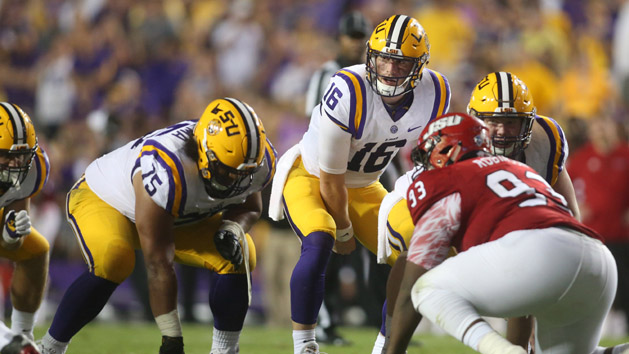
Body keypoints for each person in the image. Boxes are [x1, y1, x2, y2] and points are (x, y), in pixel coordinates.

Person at [268, 14, 450, 354]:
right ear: (371, 56)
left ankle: (386, 345)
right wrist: (345, 231)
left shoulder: (435, 91)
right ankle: (305, 345)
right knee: (321, 237)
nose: (389, 69)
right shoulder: (349, 89)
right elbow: (331, 176)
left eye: (401, 62)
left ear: (419, 66)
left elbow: (435, 161)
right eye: (384, 58)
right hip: (311, 176)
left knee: (414, 254)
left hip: (366, 185)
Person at [38, 98, 277, 354]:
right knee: (114, 260)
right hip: (106, 199)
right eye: (226, 170)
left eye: (241, 174)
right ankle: (49, 348)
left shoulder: (255, 161)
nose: (233, 180)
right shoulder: (168, 165)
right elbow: (158, 262)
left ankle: (225, 351)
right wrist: (171, 338)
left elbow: (250, 207)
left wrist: (231, 228)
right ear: (204, 150)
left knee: (239, 250)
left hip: (175, 213)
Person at [387, 112, 629, 354]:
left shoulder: (445, 179)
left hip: (538, 252)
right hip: (598, 261)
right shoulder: (521, 169)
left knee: (424, 287)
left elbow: (413, 281)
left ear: (443, 150)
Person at [376, 71, 579, 352]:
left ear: (529, 122)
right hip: (417, 205)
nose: (503, 131)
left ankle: (518, 347)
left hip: (492, 214)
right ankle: (388, 342)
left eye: (511, 122)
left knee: (523, 262)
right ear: (476, 121)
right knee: (419, 261)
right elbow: (434, 203)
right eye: (493, 122)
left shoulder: (546, 140)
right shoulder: (459, 145)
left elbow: (567, 208)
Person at [303, 11, 372, 346]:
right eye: (352, 36)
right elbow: (315, 120)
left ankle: (375, 317)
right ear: (341, 39)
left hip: (358, 170)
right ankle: (323, 322)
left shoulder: (373, 76)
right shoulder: (328, 74)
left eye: (362, 36)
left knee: (368, 248)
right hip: (328, 167)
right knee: (325, 245)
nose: (357, 42)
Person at [0, 103, 50, 343]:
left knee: (36, 250)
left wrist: (10, 235)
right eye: (7, 155)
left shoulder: (34, 168)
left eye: (21, 154)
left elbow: (13, 245)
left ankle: (22, 334)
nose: (16, 163)